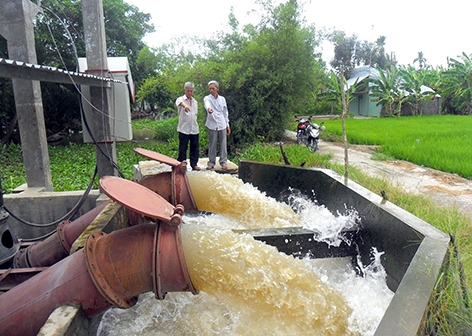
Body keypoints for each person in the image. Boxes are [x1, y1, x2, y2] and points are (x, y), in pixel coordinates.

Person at [203, 80, 231, 170]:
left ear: (217, 89)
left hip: (222, 123)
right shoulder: (207, 98)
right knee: (212, 144)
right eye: (210, 89)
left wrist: (227, 125)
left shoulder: (222, 99)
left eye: (213, 88)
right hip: (212, 124)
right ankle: (211, 162)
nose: (211, 90)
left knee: (223, 144)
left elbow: (225, 112)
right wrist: (209, 109)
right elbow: (207, 104)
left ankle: (224, 162)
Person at [176, 82, 200, 171]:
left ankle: (194, 164)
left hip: (194, 128)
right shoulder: (181, 99)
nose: (190, 92)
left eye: (191, 91)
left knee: (194, 147)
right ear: (185, 91)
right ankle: (181, 164)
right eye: (188, 91)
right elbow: (179, 103)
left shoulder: (195, 102)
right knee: (183, 147)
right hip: (184, 128)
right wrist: (185, 106)